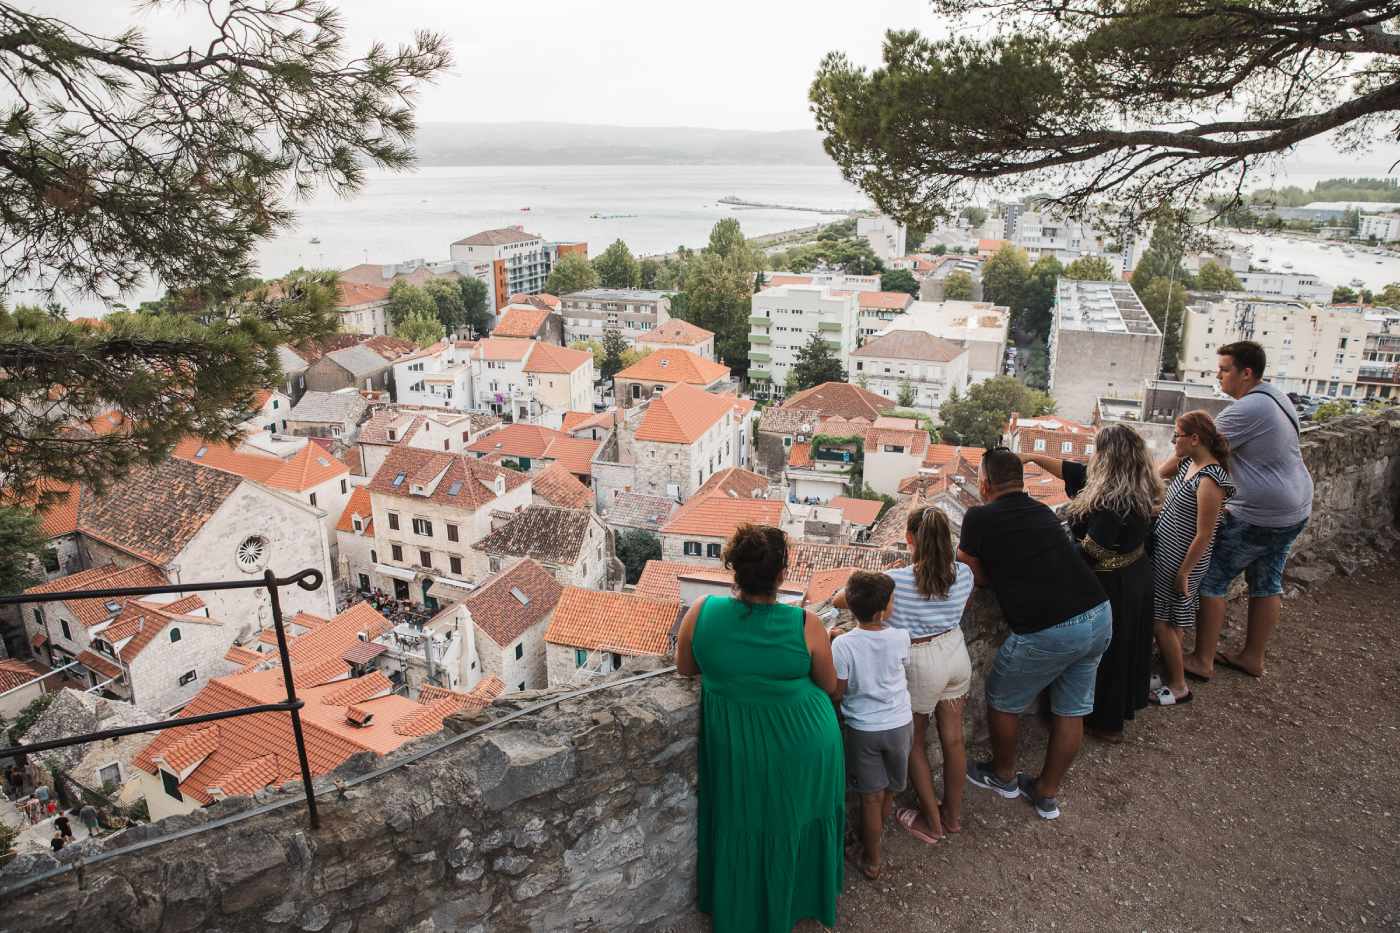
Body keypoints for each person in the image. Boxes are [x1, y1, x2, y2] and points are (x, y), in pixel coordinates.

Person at [675, 523, 845, 932]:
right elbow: (830, 686)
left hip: (739, 744)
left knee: (744, 825)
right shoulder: (805, 624)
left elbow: (685, 668)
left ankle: (744, 909)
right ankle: (796, 900)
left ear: (734, 570)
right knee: (798, 822)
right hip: (807, 739)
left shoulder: (702, 612)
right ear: (781, 574)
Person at [958, 448, 1112, 820]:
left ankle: (1004, 775)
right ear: (1021, 482)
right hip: (1098, 613)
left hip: (1050, 628)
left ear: (985, 483)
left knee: (1003, 700)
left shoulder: (979, 517)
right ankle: (1046, 792)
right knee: (1071, 709)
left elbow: (972, 574)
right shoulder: (1041, 511)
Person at [839, 505, 975, 838]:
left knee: (913, 742)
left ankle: (932, 821)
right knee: (954, 739)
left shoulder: (894, 582)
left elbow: (843, 601)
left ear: (910, 538)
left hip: (922, 660)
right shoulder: (965, 574)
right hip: (956, 651)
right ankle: (953, 817)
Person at [1019, 423, 1161, 742]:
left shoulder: (1111, 502)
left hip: (1114, 585)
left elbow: (1092, 552)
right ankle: (1116, 710)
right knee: (1127, 649)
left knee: (1111, 654)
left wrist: (1047, 556)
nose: (1092, 456)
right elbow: (1074, 471)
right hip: (1136, 575)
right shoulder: (1137, 483)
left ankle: (1104, 721)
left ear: (1107, 457)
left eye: (1097, 450)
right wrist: (1031, 457)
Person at [1183, 341, 1312, 680]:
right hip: (1294, 507)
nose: (1218, 375)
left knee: (1212, 579)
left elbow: (1195, 452)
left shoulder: (1246, 410)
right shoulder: (1277, 397)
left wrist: (1152, 477)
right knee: (1267, 581)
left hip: (1260, 513)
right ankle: (1252, 657)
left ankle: (1202, 660)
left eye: (1224, 369)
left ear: (1246, 373)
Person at [831, 571, 910, 880]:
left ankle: (872, 860)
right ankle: (872, 843)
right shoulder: (901, 637)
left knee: (870, 798)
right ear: (882, 611)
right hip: (900, 724)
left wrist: (838, 638)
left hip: (864, 729)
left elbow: (837, 691)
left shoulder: (843, 645)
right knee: (890, 791)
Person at [1153, 411, 1234, 704]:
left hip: (1181, 560)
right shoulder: (1189, 464)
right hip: (1167, 553)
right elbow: (1172, 506)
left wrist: (1185, 572)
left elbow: (1204, 534)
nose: (1174, 441)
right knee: (1172, 620)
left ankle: (1178, 686)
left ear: (1195, 439)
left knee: (1160, 621)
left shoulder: (1210, 479)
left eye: (1178, 435)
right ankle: (1170, 674)